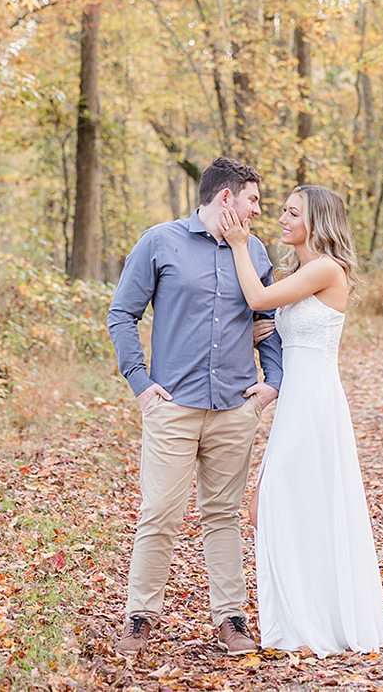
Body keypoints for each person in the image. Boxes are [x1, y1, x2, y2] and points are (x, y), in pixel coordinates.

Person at [107, 157, 283, 655]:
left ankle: (231, 619)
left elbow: (267, 318)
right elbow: (122, 314)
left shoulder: (256, 251)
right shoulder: (159, 242)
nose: (257, 209)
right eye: (252, 200)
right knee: (159, 511)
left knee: (223, 515)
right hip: (173, 406)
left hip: (234, 406)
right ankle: (140, 617)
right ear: (225, 198)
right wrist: (140, 383)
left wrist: (274, 381)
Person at [220, 185, 383, 656]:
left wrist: (238, 244)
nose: (281, 218)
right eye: (282, 211)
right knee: (291, 500)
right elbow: (280, 321)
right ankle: (301, 614)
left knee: (275, 494)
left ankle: (311, 618)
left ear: (316, 222)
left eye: (292, 213)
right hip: (297, 396)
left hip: (314, 399)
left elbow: (256, 297)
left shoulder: (324, 268)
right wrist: (272, 328)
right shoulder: (304, 272)